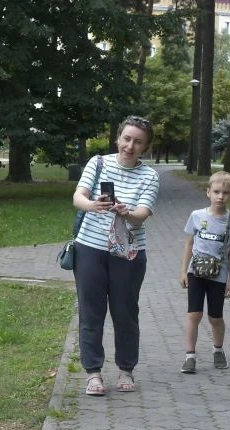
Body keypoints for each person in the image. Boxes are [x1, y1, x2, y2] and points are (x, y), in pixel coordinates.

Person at [71, 116, 160, 396]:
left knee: (125, 313)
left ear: (145, 147)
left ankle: (125, 370)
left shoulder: (150, 176)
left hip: (129, 253)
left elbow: (141, 216)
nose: (130, 146)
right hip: (90, 249)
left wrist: (127, 213)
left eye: (138, 142)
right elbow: (78, 197)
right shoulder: (98, 163)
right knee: (91, 312)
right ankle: (93, 373)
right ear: (118, 138)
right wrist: (93, 205)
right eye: (127, 138)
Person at [178, 170, 230, 373]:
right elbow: (189, 243)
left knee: (215, 317)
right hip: (196, 273)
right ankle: (190, 356)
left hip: (219, 275)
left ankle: (218, 350)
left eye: (225, 192)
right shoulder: (197, 216)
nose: (220, 196)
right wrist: (183, 271)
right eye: (216, 191)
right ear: (208, 192)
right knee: (194, 314)